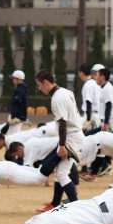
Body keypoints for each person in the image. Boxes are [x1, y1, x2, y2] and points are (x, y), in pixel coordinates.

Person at [34, 69, 85, 213]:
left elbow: (63, 122)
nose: (39, 88)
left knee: (62, 174)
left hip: (71, 138)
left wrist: (62, 145)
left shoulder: (57, 98)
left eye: (39, 85)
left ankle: (76, 207)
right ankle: (55, 203)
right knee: (60, 172)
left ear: (45, 82)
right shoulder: (66, 91)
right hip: (72, 135)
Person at [4, 70, 30, 134]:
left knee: (14, 137)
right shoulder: (24, 89)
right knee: (13, 135)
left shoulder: (19, 90)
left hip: (17, 117)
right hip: (20, 116)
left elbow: (16, 104)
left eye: (14, 78)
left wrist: (13, 117)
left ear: (18, 79)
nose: (12, 80)